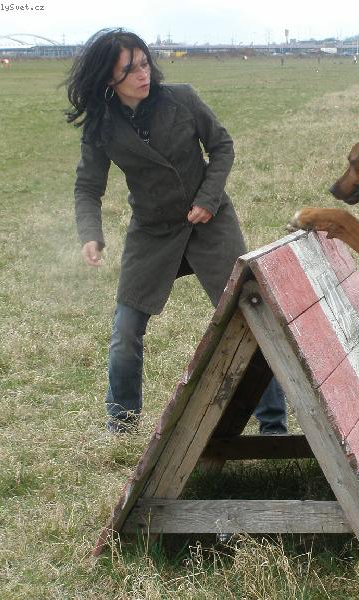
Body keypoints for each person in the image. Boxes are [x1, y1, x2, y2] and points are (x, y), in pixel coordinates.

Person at [65, 29, 287, 434]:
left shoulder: (182, 99)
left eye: (144, 63)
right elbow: (87, 187)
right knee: (125, 330)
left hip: (210, 223)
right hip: (152, 231)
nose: (141, 74)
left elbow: (222, 146)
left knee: (251, 315)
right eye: (128, 69)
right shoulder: (101, 126)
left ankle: (273, 426)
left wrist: (207, 198)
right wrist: (90, 234)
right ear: (107, 80)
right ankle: (122, 425)